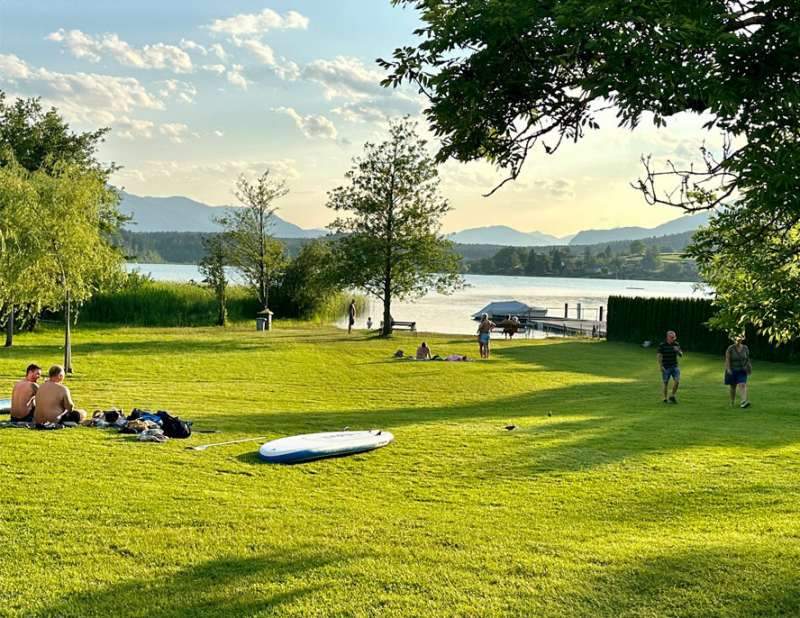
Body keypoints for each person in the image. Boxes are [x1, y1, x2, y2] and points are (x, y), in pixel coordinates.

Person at [725, 335, 752, 408]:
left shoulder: (745, 348)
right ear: (734, 340)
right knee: (733, 387)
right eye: (736, 340)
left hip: (742, 370)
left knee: (742, 384)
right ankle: (732, 402)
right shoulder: (730, 348)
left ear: (741, 340)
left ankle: (743, 401)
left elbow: (747, 359)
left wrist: (749, 368)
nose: (738, 341)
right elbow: (727, 359)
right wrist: (728, 369)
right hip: (733, 370)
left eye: (739, 339)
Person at [657, 330, 682, 403]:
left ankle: (672, 396)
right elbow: (659, 356)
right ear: (668, 337)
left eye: (674, 337)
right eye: (672, 337)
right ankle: (665, 398)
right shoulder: (662, 345)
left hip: (675, 366)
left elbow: (681, 355)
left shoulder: (676, 344)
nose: (674, 338)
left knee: (677, 381)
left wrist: (678, 351)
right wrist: (661, 366)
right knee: (665, 383)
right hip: (666, 367)